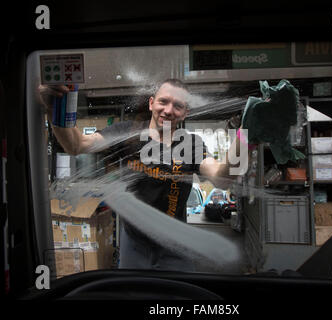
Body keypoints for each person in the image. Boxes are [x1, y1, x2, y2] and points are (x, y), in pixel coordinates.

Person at [39, 78, 248, 271]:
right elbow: (76, 145)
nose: (168, 110)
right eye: (163, 102)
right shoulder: (126, 135)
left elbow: (221, 179)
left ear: (185, 112)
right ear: (151, 103)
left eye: (178, 106)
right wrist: (53, 108)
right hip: (134, 243)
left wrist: (247, 136)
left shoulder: (191, 144)